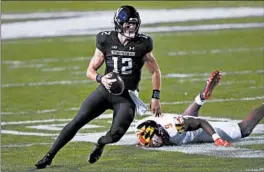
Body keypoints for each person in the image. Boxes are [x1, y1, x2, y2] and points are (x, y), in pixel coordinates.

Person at [35, 5, 162, 169]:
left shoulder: (142, 43)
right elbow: (90, 70)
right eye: (127, 25)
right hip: (104, 92)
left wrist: (155, 97)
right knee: (77, 122)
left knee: (115, 135)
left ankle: (101, 143)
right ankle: (49, 156)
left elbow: (155, 71)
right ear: (118, 24)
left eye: (134, 24)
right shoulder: (105, 39)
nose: (131, 28)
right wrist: (101, 79)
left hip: (126, 97)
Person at [136, 70, 264, 147]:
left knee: (244, 129)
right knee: (185, 123)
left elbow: (201, 123)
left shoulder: (174, 127)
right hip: (182, 125)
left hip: (196, 130)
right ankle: (200, 98)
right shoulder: (143, 127)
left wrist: (217, 139)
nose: (154, 144)